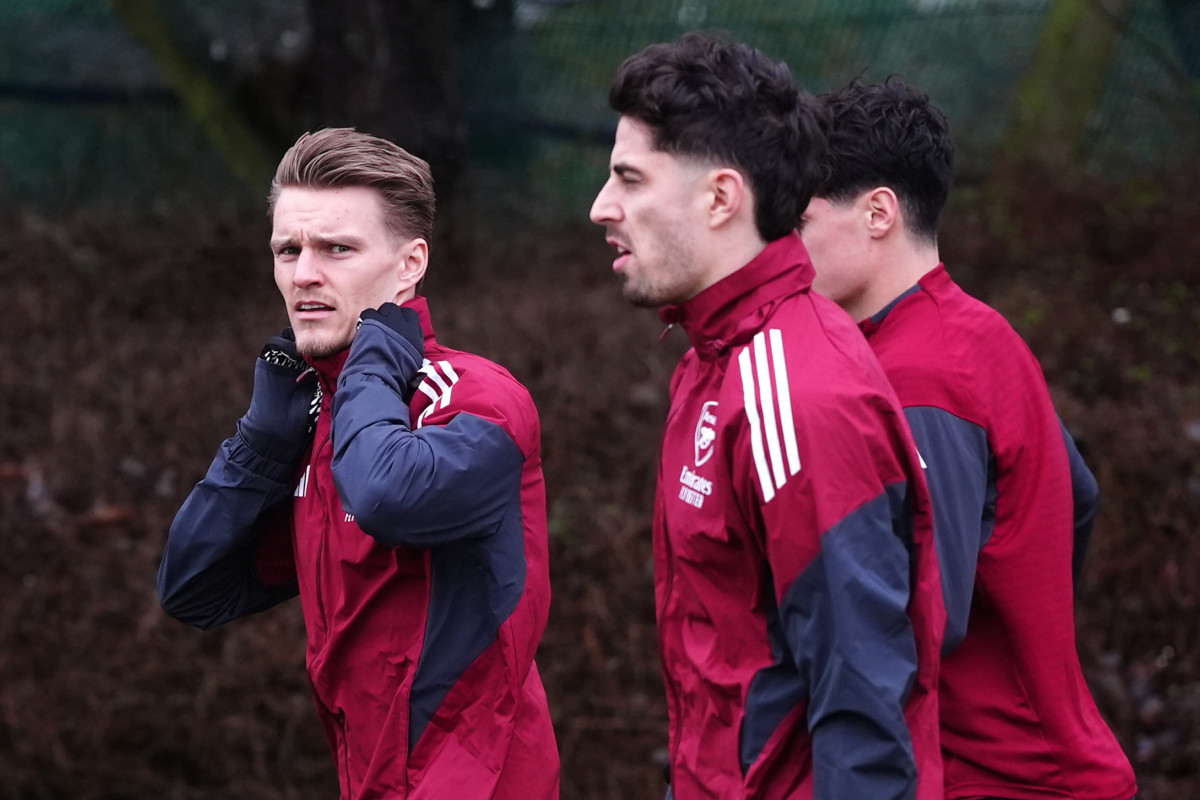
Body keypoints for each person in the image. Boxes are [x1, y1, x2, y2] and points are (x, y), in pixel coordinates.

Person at [589, 33, 945, 799]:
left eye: (628, 178)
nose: (601, 208)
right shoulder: (712, 361)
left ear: (721, 198)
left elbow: (863, 704)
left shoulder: (800, 396)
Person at [158, 127, 559, 800]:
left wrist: (370, 362)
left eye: (337, 249)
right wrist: (260, 440)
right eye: (289, 249)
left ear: (409, 265)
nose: (304, 274)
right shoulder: (322, 422)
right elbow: (193, 586)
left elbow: (384, 494)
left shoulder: (476, 400)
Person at [800, 77, 1137, 800]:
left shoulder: (917, 375)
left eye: (801, 220)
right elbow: (1079, 498)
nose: (789, 250)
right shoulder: (977, 332)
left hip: (1005, 779)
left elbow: (923, 618)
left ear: (879, 212)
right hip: (1051, 764)